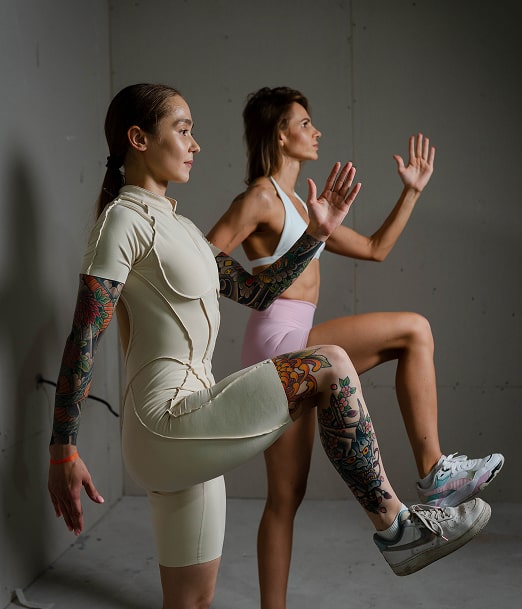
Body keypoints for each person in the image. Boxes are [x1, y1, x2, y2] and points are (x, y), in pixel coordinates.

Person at [48, 83, 491, 609]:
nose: (195, 144)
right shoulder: (122, 221)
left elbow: (257, 292)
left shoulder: (183, 229)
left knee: (192, 602)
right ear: (139, 139)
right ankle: (398, 527)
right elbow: (84, 335)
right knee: (330, 363)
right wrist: (63, 449)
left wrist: (315, 235)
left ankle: (402, 525)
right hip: (163, 422)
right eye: (183, 130)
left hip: (192, 422)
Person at [206, 86, 504, 609]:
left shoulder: (302, 205)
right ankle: (435, 474)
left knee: (286, 498)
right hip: (279, 340)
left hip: (294, 340)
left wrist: (411, 192)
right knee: (413, 330)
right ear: (280, 135)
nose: (316, 131)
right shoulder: (260, 198)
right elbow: (204, 257)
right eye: (305, 123)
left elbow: (374, 248)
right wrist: (253, 294)